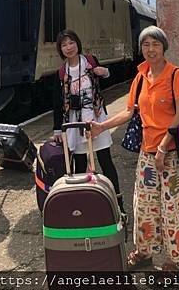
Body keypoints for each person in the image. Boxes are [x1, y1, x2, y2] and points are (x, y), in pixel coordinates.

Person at [91, 25, 179, 272]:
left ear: (164, 47)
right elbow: (130, 112)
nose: (150, 49)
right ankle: (144, 253)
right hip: (147, 155)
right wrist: (101, 126)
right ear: (141, 48)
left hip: (173, 156)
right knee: (145, 208)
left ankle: (173, 264)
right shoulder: (140, 78)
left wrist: (162, 148)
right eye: (145, 45)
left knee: (175, 210)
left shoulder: (177, 75)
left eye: (155, 44)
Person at [53, 29, 126, 217]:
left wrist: (105, 72)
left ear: (77, 44)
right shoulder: (62, 72)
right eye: (64, 45)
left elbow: (112, 79)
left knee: (105, 161)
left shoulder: (91, 62)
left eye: (71, 43)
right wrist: (56, 129)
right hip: (74, 123)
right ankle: (82, 206)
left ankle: (118, 205)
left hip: (96, 118)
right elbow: (57, 102)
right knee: (79, 165)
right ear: (60, 49)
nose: (68, 47)